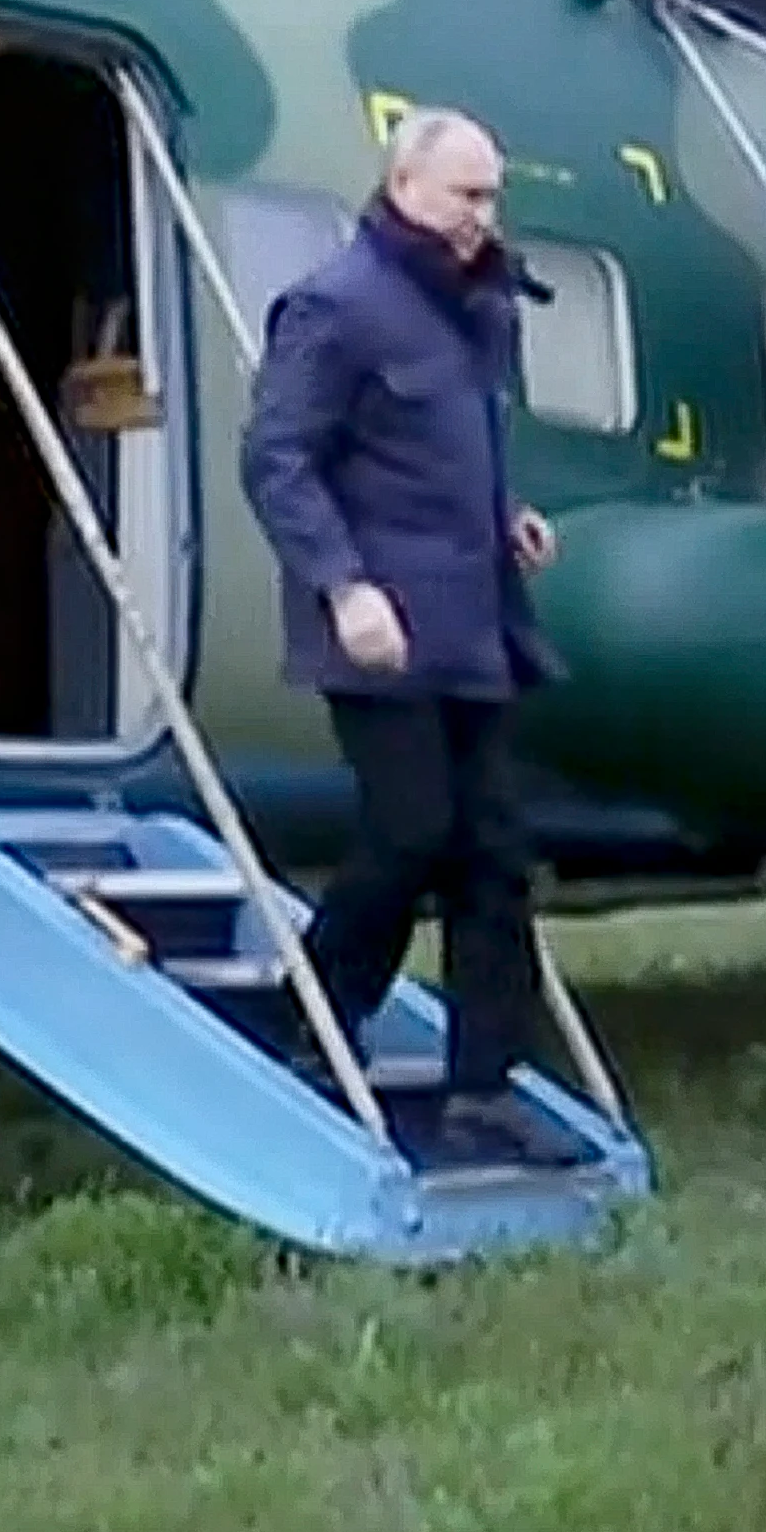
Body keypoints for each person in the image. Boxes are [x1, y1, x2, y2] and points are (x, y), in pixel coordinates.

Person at [236, 105, 565, 1162]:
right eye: (468, 193)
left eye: (493, 194)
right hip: (378, 625)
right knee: (413, 829)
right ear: (406, 185)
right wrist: (342, 585)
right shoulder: (336, 306)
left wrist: (506, 516)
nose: (485, 214)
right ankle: (312, 1012)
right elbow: (278, 459)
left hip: (474, 622)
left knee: (497, 854)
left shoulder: (481, 308)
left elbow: (457, 441)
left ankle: (485, 1085)